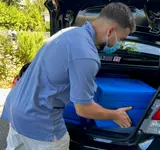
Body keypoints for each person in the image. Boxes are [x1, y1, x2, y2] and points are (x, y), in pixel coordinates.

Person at [2, 2, 136, 150]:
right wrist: (115, 115)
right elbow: (83, 109)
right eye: (121, 39)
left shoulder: (69, 32)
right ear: (111, 30)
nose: (120, 44)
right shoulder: (87, 55)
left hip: (16, 110)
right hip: (39, 121)